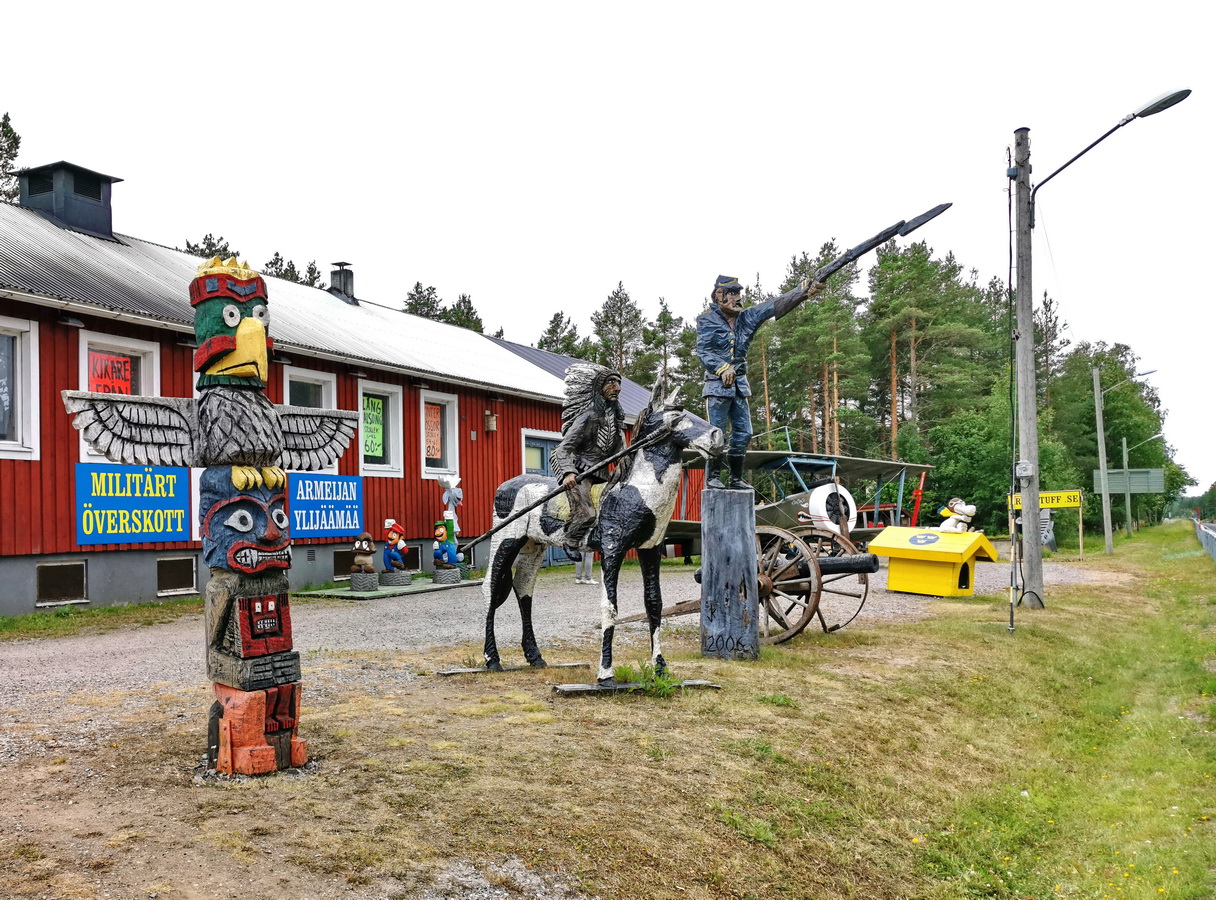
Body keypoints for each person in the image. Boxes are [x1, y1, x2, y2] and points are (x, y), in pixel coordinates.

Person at [696, 274, 826, 489]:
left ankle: (736, 479)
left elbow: (772, 306)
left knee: (744, 432)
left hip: (739, 385)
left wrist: (802, 292)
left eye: (739, 294)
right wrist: (721, 368)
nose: (738, 298)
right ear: (719, 295)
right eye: (732, 294)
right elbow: (704, 351)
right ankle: (713, 477)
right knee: (716, 434)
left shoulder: (746, 317)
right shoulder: (706, 320)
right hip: (716, 386)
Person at [550, 364, 626, 553]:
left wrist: (625, 465)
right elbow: (563, 449)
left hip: (602, 475)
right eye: (611, 383)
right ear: (599, 388)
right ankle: (571, 540)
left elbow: (621, 453)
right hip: (580, 473)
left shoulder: (616, 421)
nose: (617, 388)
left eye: (618, 383)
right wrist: (568, 473)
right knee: (587, 513)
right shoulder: (587, 417)